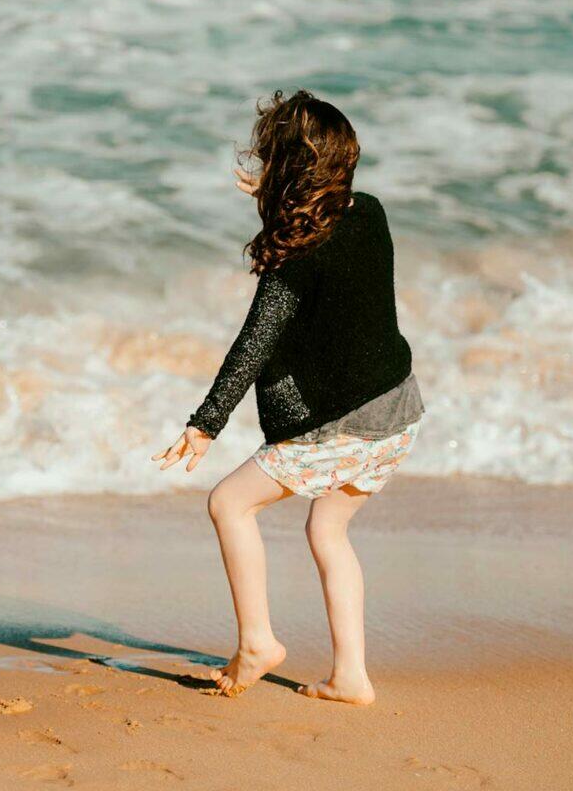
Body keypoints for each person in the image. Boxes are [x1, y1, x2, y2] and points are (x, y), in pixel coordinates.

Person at [153, 90, 424, 705]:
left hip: (346, 422)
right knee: (329, 530)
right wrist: (283, 199)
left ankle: (257, 643)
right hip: (398, 409)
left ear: (286, 172)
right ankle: (350, 676)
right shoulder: (370, 213)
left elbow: (255, 343)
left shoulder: (296, 256)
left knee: (228, 504)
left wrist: (205, 423)